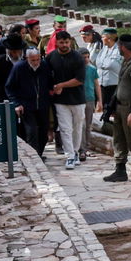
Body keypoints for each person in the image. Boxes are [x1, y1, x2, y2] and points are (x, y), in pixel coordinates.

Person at [103, 33, 131, 183]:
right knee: (119, 139)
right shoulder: (125, 62)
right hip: (121, 108)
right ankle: (120, 171)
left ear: (122, 47)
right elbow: (121, 85)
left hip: (130, 109)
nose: (118, 49)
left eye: (118, 46)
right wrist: (113, 106)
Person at [46, 31, 87, 169]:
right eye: (61, 42)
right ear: (56, 42)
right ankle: (69, 155)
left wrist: (61, 85)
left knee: (77, 128)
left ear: (70, 42)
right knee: (65, 129)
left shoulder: (78, 57)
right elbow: (47, 77)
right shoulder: (51, 57)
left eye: (66, 42)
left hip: (78, 99)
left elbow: (80, 80)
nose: (64, 45)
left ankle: (75, 152)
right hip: (60, 100)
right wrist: (53, 87)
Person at [5, 46, 54, 156]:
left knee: (43, 132)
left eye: (38, 59)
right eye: (33, 60)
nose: (36, 62)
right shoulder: (19, 68)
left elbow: (50, 82)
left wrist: (51, 91)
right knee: (32, 132)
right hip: (26, 105)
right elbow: (9, 87)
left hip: (43, 104)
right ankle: (34, 157)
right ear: (27, 58)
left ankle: (39, 154)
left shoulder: (44, 66)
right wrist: (16, 104)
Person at [92, 27, 122, 131]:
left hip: (113, 83)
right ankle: (106, 125)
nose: (101, 39)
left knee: (113, 107)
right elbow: (97, 62)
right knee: (105, 106)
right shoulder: (104, 48)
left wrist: (103, 64)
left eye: (103, 37)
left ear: (109, 38)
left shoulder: (117, 50)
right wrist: (103, 64)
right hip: (103, 83)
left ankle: (114, 126)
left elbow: (111, 64)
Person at [77, 47, 98, 161]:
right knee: (81, 125)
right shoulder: (76, 69)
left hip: (90, 99)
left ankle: (86, 148)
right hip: (79, 100)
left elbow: (96, 85)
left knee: (88, 126)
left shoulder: (92, 69)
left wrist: (100, 100)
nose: (86, 59)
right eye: (83, 57)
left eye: (87, 57)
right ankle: (81, 149)